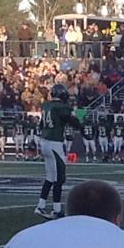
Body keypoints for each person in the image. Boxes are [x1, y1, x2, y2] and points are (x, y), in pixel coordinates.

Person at [35, 85, 84, 219]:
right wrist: (80, 126)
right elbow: (72, 121)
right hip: (54, 143)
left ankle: (41, 206)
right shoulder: (62, 107)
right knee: (60, 178)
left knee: (50, 177)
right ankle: (56, 209)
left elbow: (41, 125)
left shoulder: (45, 106)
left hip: (44, 142)